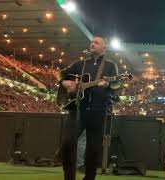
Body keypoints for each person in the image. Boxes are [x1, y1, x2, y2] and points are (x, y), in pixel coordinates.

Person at [59, 36, 120, 180]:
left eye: (97, 42)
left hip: (98, 110)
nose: (93, 44)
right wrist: (66, 83)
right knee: (68, 144)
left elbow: (117, 84)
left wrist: (108, 84)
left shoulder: (110, 66)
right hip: (77, 109)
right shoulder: (80, 64)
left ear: (104, 48)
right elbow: (61, 75)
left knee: (93, 148)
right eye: (92, 42)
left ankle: (89, 178)